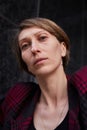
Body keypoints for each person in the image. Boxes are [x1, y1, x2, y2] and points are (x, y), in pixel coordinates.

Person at [0, 17, 87, 130]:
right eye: (25, 45)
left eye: (42, 38)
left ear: (62, 49)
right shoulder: (17, 101)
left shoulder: (83, 88)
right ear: (25, 64)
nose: (34, 49)